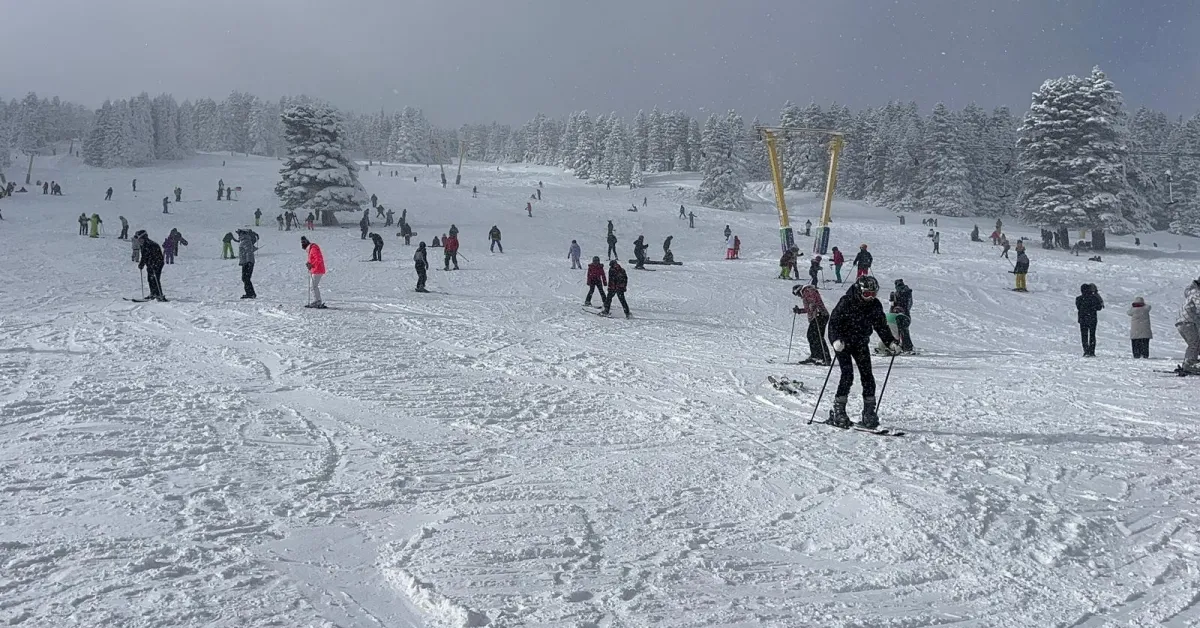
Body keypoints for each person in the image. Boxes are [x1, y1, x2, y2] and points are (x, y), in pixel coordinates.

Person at [827, 275, 901, 429]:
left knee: (867, 375)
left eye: (873, 294)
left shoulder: (874, 305)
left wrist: (890, 342)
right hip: (843, 343)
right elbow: (833, 322)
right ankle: (839, 410)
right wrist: (835, 340)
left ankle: (869, 412)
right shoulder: (846, 301)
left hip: (860, 342)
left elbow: (881, 326)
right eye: (867, 294)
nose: (870, 297)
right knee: (847, 374)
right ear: (859, 291)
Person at [793, 284, 830, 365]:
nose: (799, 296)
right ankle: (816, 356)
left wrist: (813, 305)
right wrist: (799, 311)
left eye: (798, 294)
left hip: (820, 315)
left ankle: (824, 358)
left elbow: (813, 299)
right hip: (818, 315)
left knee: (817, 336)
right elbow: (808, 308)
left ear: (799, 290)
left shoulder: (807, 290)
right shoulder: (806, 292)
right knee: (813, 336)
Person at [1176, 278, 1200, 370]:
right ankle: (1189, 363)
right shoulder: (1197, 293)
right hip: (1187, 321)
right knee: (1194, 343)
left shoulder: (1192, 292)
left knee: (1195, 342)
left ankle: (1190, 361)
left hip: (1183, 321)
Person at [137, 230, 167, 301]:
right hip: (150, 264)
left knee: (155, 278)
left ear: (144, 238)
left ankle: (159, 294)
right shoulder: (143, 245)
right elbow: (144, 256)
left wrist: (153, 264)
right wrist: (141, 264)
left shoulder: (150, 245)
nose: (139, 241)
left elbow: (154, 256)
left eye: (140, 239)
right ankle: (153, 293)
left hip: (157, 264)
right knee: (150, 279)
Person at [1076, 283, 1104, 357]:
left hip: (1082, 319)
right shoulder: (1094, 298)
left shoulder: (1079, 298)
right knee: (1092, 335)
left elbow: (1078, 307)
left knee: (1084, 335)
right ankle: (1091, 351)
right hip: (1092, 319)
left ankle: (1086, 351)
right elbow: (1099, 308)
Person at [231, 229, 259, 299]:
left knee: (246, 278)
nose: (238, 236)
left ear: (242, 234)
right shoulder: (245, 241)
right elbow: (251, 249)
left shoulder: (245, 241)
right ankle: (250, 293)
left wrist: (248, 262)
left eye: (239, 234)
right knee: (245, 278)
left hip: (247, 262)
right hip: (246, 262)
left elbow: (249, 251)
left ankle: (250, 294)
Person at [300, 236, 326, 308]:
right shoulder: (312, 249)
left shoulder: (313, 249)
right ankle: (317, 300)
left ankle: (317, 301)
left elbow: (318, 259)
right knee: (313, 286)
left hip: (318, 269)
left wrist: (311, 264)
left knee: (313, 286)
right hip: (316, 269)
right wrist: (309, 263)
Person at [890, 279, 914, 352]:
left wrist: (900, 310)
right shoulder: (904, 292)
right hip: (902, 315)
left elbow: (907, 305)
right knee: (902, 330)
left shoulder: (904, 292)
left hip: (902, 315)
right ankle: (905, 346)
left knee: (901, 330)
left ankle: (905, 346)